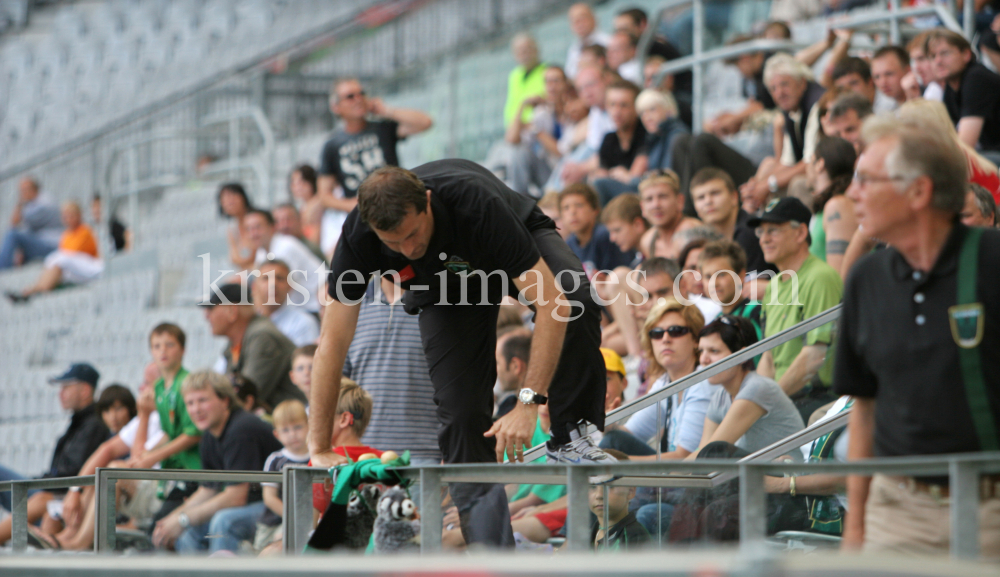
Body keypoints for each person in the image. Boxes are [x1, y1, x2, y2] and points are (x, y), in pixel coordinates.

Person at [312, 160, 616, 549]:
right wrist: (319, 446)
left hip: (512, 245)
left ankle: (570, 438)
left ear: (426, 201)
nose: (408, 248)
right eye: (393, 243)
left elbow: (551, 303)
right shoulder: (357, 236)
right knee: (460, 419)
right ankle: (492, 555)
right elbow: (331, 345)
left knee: (574, 297)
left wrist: (528, 403)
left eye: (412, 233)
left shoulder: (476, 202)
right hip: (445, 286)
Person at [835, 115, 1000, 556]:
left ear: (919, 192)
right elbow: (864, 410)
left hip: (990, 511)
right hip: (897, 512)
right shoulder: (865, 279)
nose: (852, 194)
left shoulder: (991, 262)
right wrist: (855, 527)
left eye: (866, 180)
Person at [153, 371, 282, 554]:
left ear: (225, 401)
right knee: (189, 531)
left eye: (203, 400)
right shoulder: (208, 435)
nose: (196, 409)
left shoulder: (241, 429)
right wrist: (172, 520)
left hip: (279, 505)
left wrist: (183, 519)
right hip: (253, 506)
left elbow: (236, 496)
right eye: (190, 403)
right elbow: (208, 489)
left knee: (224, 521)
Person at [751, 198, 843, 423]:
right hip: (785, 399)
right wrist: (757, 403)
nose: (764, 239)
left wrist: (769, 405)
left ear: (801, 233)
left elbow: (815, 357)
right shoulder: (773, 286)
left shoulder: (820, 277)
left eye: (773, 230)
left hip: (816, 398)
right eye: (760, 232)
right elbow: (769, 357)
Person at [317, 77, 434, 254]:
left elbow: (425, 122)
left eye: (361, 93)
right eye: (350, 96)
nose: (358, 99)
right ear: (336, 107)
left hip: (397, 204)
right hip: (365, 218)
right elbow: (324, 195)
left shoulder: (382, 128)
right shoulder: (332, 145)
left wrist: (386, 110)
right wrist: (351, 204)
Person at [0, 363, 110, 546]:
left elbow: (71, 473)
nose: (60, 394)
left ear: (84, 390)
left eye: (66, 387)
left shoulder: (93, 424)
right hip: (55, 493)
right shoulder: (79, 422)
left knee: (40, 499)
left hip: (62, 495)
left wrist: (39, 481)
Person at [342, 277, 442, 464]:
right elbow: (340, 385)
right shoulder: (351, 305)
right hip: (362, 457)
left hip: (426, 455)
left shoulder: (441, 301)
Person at [691, 315, 805, 459]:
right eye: (701, 351)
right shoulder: (720, 396)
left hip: (788, 475)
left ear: (742, 355)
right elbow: (702, 452)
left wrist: (669, 478)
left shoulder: (757, 388)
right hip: (756, 476)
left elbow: (709, 454)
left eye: (714, 351)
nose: (703, 360)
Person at [740, 53, 826, 212]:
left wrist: (768, 184)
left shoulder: (817, 104)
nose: (779, 93)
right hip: (811, 169)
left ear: (802, 83)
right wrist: (757, 185)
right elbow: (787, 162)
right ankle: (753, 225)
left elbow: (809, 163)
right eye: (773, 88)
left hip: (825, 172)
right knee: (767, 166)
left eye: (784, 84)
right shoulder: (789, 109)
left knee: (794, 184)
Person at [202, 282, 308, 408]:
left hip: (289, 423)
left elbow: (244, 398)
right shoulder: (240, 340)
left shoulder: (263, 337)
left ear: (232, 310)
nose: (206, 316)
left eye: (211, 308)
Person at [6, 201, 103, 303]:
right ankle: (34, 290)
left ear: (79, 215)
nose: (68, 219)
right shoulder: (66, 235)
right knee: (56, 263)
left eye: (71, 216)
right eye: (65, 217)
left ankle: (33, 290)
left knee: (59, 258)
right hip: (75, 269)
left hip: (91, 265)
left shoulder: (86, 231)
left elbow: (74, 253)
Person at [929, 28, 1000, 165]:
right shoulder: (952, 85)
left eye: (945, 53)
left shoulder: (976, 78)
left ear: (966, 54)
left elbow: (965, 145)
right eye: (932, 56)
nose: (938, 61)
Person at [254, 399, 311, 551]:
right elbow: (269, 497)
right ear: (276, 434)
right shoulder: (275, 460)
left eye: (298, 427)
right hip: (274, 522)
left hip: (311, 520)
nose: (292, 434)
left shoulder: (316, 457)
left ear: (309, 426)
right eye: (285, 430)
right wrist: (295, 518)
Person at [690, 168, 768, 276]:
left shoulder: (750, 231)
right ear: (695, 208)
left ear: (734, 197)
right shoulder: (701, 240)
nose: (708, 201)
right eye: (701, 197)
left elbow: (753, 288)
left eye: (715, 193)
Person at [244, 209, 324, 313]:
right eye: (248, 229)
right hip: (299, 308)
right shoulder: (261, 252)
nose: (253, 234)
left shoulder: (286, 247)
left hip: (316, 307)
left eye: (258, 227)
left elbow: (281, 289)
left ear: (272, 227)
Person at [591, 80, 649, 204]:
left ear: (636, 108)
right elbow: (600, 175)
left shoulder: (645, 133)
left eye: (623, 105)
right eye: (612, 104)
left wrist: (623, 176)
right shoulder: (608, 139)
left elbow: (634, 178)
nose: (617, 112)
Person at [807, 136, 858, 275]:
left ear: (820, 164)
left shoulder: (839, 205)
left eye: (810, 160)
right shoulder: (828, 205)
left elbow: (839, 276)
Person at [560, 183, 634, 277]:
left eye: (579, 205)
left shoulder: (605, 236)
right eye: (566, 208)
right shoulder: (569, 244)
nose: (572, 212)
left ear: (595, 210)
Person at [698, 239, 762, 339]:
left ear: (740, 276)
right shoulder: (715, 323)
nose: (714, 283)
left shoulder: (756, 311)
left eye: (721, 274)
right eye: (708, 276)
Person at [251, 259, 320, 347]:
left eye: (279, 278)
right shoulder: (247, 323)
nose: (273, 284)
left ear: (290, 286)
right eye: (266, 278)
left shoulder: (303, 323)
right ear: (254, 287)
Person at [590, 452, 650, 551]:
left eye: (609, 486)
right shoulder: (590, 532)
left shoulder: (634, 539)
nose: (599, 495)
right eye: (592, 486)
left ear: (630, 491)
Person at [0, 177, 62, 269]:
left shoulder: (44, 202)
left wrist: (20, 203)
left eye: (25, 189)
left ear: (34, 188)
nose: (23, 193)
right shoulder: (31, 204)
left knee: (12, 235)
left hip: (52, 244)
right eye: (21, 190)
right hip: (43, 242)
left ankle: (2, 268)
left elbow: (14, 224)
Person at [638, 170, 701, 260]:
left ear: (680, 201)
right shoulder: (647, 241)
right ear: (642, 207)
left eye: (663, 196)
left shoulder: (692, 231)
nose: (656, 205)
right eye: (649, 199)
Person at [637, 89, 688, 174]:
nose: (647, 117)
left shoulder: (676, 135)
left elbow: (667, 176)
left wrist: (631, 180)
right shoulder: (657, 137)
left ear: (668, 109)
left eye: (652, 109)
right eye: (642, 113)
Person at [504, 34, 548, 129]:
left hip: (537, 128)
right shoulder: (514, 75)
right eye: (519, 51)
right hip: (514, 131)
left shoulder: (548, 71)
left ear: (536, 49)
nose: (524, 54)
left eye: (527, 49)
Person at [565, 3, 610, 79]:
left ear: (594, 19)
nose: (578, 23)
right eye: (573, 20)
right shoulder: (573, 49)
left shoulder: (608, 42)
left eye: (582, 18)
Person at [601, 193, 647, 267]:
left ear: (637, 225)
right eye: (610, 232)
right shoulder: (637, 261)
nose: (612, 238)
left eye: (617, 230)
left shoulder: (658, 254)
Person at [220, 183, 257, 271]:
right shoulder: (232, 229)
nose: (229, 202)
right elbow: (234, 259)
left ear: (243, 197)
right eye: (224, 199)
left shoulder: (256, 220)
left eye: (233, 197)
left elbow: (254, 255)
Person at [495, 332, 532, 421]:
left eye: (497, 363)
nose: (495, 370)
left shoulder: (542, 411)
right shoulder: (508, 403)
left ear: (515, 366)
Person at [288, 164, 324, 248]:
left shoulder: (318, 202)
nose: (297, 187)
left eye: (302, 182)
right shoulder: (302, 207)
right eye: (294, 183)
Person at [870, 46, 910, 111]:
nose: (882, 83)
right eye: (877, 77)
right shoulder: (883, 109)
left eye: (889, 74)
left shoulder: (928, 98)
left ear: (908, 71)